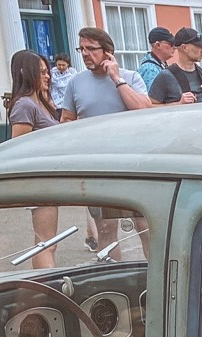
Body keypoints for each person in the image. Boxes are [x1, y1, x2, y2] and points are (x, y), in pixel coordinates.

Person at [60, 27, 150, 254]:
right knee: (107, 229)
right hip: (97, 166)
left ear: (108, 51)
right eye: (82, 49)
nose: (85, 54)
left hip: (134, 164)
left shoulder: (130, 78)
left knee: (145, 227)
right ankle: (113, 284)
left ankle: (155, 281)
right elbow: (66, 121)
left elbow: (145, 110)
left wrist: (116, 78)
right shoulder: (75, 83)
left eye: (91, 49)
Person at [6, 50, 62, 267]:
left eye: (47, 71)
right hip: (39, 181)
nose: (47, 76)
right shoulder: (25, 105)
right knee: (46, 241)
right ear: (26, 73)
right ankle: (46, 286)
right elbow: (18, 148)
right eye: (41, 72)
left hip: (48, 178)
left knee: (47, 240)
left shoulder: (40, 103)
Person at [148, 27, 202, 105]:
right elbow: (150, 107)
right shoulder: (165, 76)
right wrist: (178, 104)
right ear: (184, 47)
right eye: (199, 46)